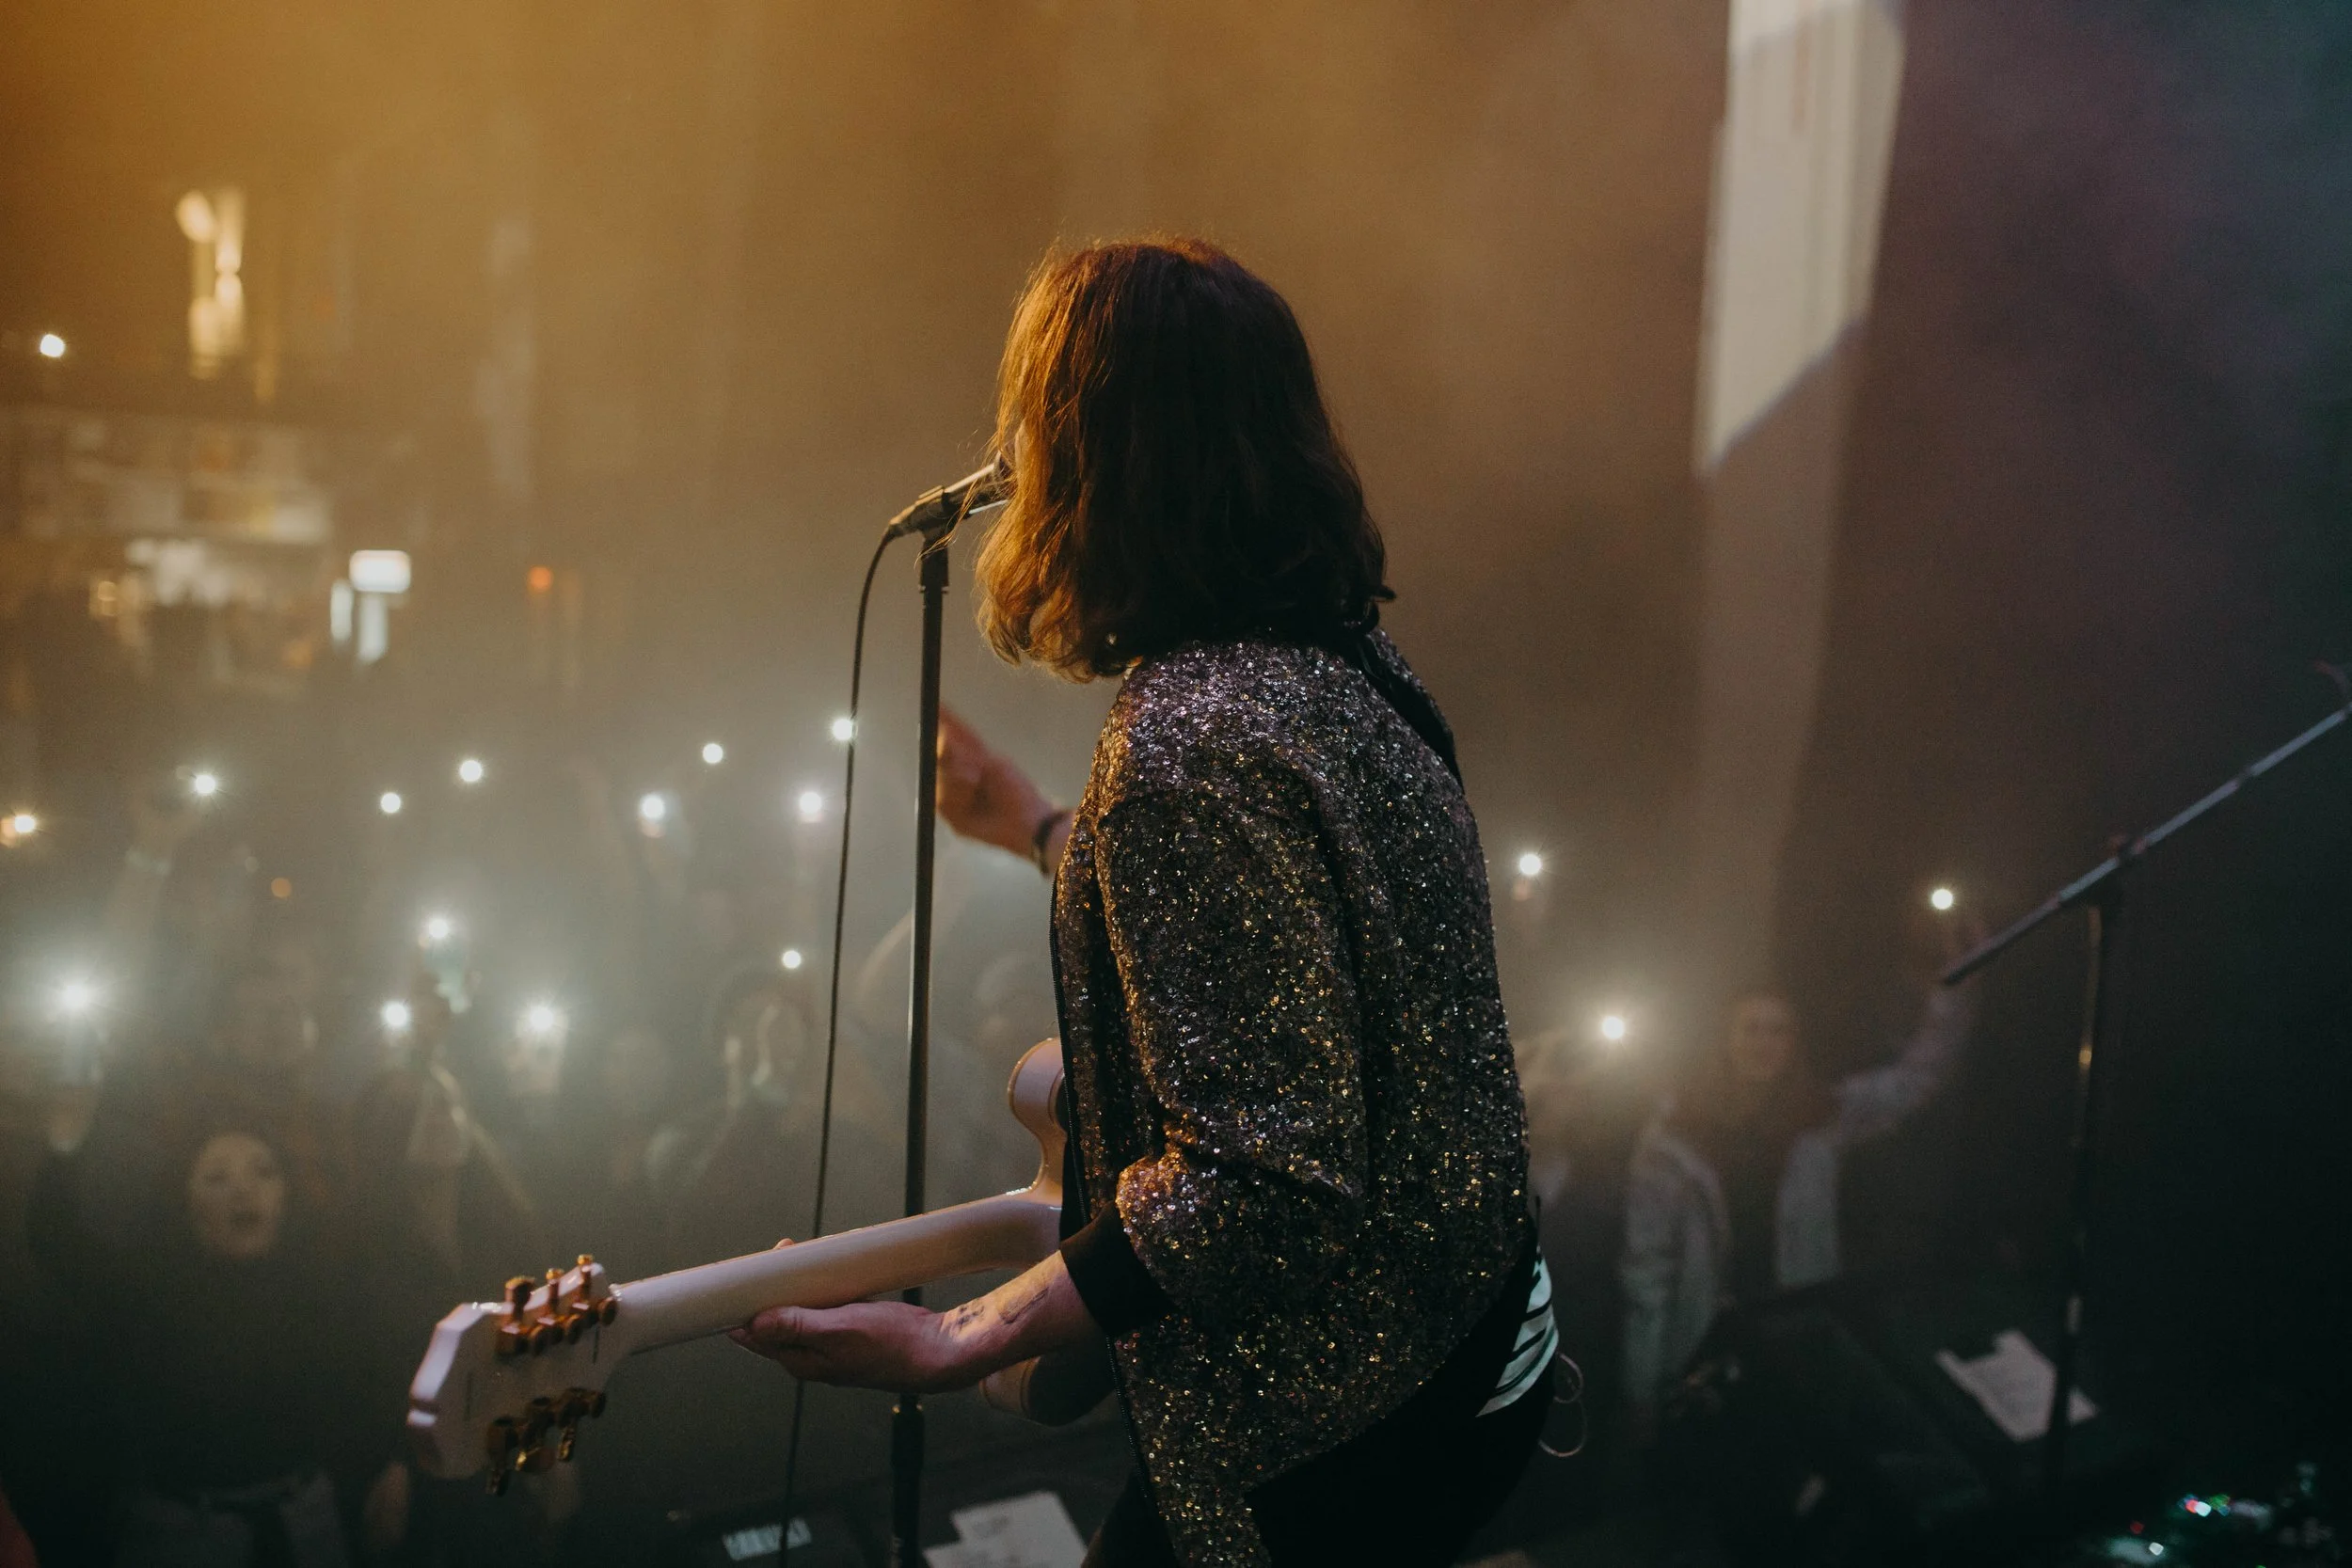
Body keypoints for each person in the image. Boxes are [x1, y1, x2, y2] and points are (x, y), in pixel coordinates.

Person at [731, 239, 1551, 1568]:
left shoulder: (1182, 744)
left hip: (1317, 1430)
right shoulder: (1352, 673)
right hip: (1465, 1358)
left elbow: (1265, 1180)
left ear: (1085, 454)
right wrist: (1041, 830)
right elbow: (1279, 944)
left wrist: (953, 1339)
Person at [1616, 918, 1981, 1442]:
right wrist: (1644, 1386)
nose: (1764, 1043)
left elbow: (1913, 1082)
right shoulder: (1676, 1136)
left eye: (1778, 1030)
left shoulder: (1820, 1117)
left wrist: (1951, 996)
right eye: (1750, 1028)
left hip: (1798, 1337)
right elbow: (1647, 1271)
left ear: (1794, 1041)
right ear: (1724, 1037)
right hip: (1704, 1344)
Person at [26, 1108, 402, 1567]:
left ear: (285, 1194)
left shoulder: (321, 1289)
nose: (243, 1189)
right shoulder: (146, 1293)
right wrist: (64, 1147)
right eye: (216, 1178)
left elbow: (370, 1383)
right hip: (184, 1535)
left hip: (308, 1524)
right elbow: (56, 1238)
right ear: (186, 1201)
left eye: (263, 1172)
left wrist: (395, 1462)